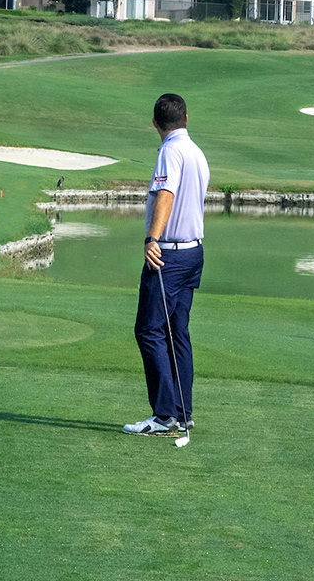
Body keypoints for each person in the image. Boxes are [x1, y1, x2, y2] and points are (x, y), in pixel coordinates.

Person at [125, 92, 208, 436]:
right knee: (177, 332)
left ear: (155, 123)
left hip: (168, 255)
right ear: (186, 118)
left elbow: (166, 194)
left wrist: (152, 238)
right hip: (193, 253)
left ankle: (164, 416)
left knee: (149, 330)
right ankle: (182, 412)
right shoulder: (197, 152)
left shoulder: (169, 152)